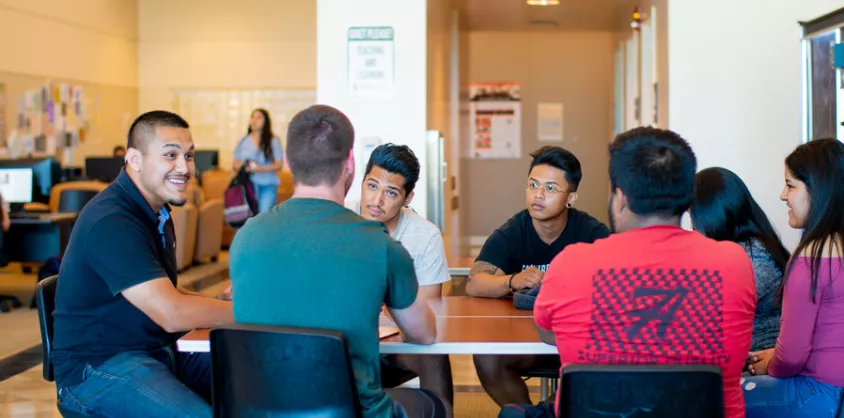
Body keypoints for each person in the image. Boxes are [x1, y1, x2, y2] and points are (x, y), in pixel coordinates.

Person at [230, 105, 446, 418]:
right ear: (350, 164)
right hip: (350, 410)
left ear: (287, 161)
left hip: (259, 409)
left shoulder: (245, 237)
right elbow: (424, 334)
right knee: (434, 406)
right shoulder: (380, 245)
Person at [532, 127, 756, 418]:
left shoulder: (570, 263)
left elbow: (547, 331)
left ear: (621, 197)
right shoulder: (734, 263)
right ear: (689, 199)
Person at [52, 110, 234, 417]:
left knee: (257, 375)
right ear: (134, 160)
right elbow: (170, 313)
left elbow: (169, 293)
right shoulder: (112, 220)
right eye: (170, 155)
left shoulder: (156, 211)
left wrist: (216, 302)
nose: (184, 166)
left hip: (153, 351)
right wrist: (252, 311)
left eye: (188, 155)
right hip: (99, 369)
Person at [743, 138, 844, 418]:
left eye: (790, 185)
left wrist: (772, 364)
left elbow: (791, 359)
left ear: (820, 192)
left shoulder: (810, 263)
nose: (782, 195)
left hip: (818, 397)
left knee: (712, 396)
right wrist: (776, 357)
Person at [467, 145, 610, 407]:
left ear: (571, 197)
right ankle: (529, 415)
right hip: (526, 338)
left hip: (577, 340)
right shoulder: (512, 231)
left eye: (551, 188)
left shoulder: (591, 233)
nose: (539, 195)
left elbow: (617, 285)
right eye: (533, 185)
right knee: (486, 357)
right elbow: (475, 282)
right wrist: (512, 280)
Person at [347, 143, 455, 410]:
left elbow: (429, 308)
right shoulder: (339, 219)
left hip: (396, 348)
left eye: (391, 192)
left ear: (407, 199)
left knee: (434, 356)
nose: (376, 201)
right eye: (372, 186)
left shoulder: (425, 235)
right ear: (361, 182)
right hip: (343, 344)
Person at [690, 167, 789, 350]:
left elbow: (708, 312)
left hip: (758, 364)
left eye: (695, 218)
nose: (693, 227)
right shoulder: (747, 248)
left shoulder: (754, 256)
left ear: (712, 216)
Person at [233, 108, 284, 214]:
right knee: (248, 219)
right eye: (252, 117)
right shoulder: (243, 141)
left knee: (263, 217)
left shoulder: (273, 141)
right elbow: (235, 164)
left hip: (267, 186)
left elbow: (278, 165)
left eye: (258, 117)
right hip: (247, 186)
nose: (254, 120)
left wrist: (259, 168)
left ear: (266, 121)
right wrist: (243, 166)